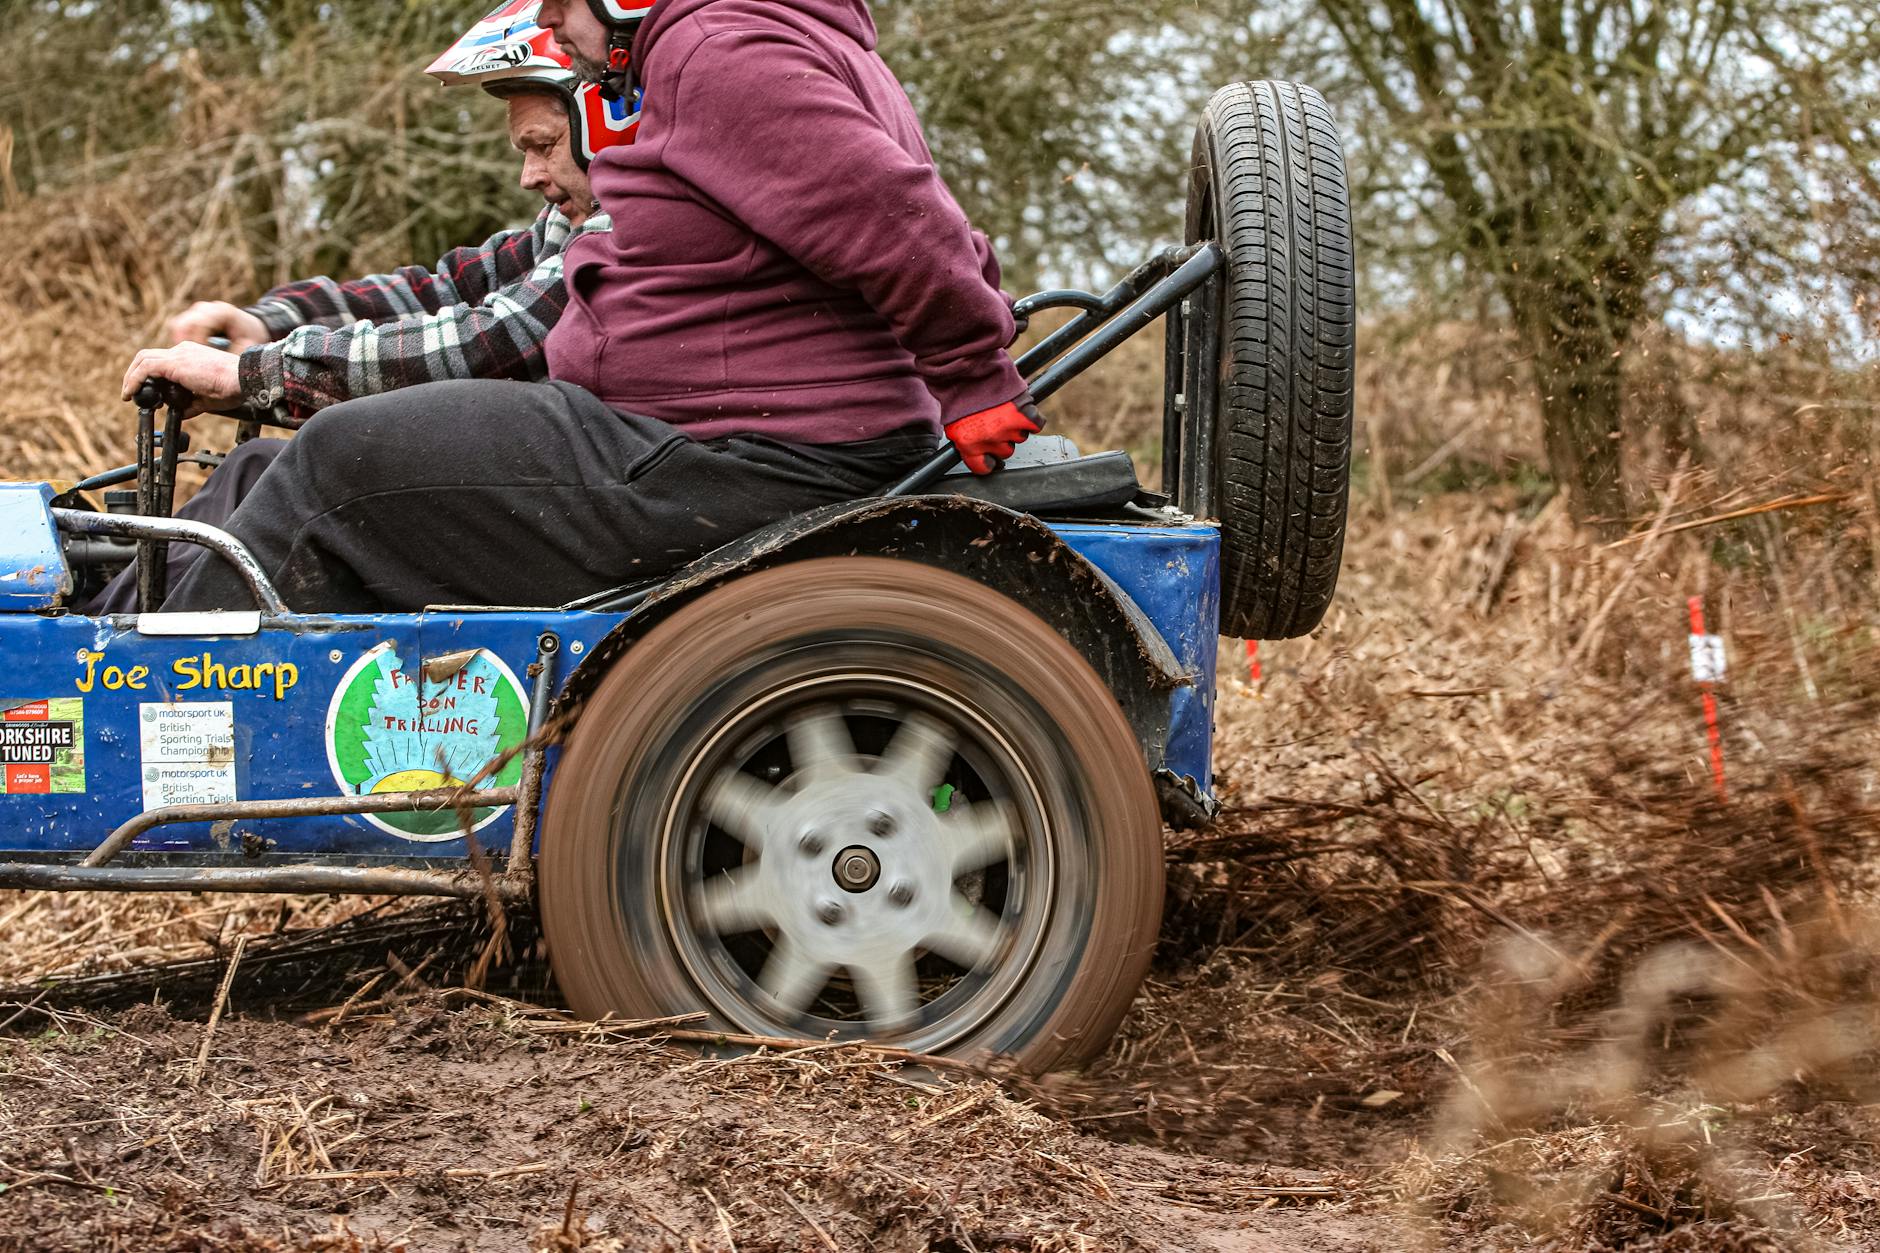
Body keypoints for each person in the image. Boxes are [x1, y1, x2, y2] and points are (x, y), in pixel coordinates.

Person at [135, 0, 1041, 614]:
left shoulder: (720, 52)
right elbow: (477, 276)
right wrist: (278, 324)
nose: (549, 22)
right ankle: (115, 626)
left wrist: (970, 371)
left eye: (563, 1)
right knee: (271, 468)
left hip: (745, 453)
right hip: (723, 436)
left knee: (339, 461)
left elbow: (893, 213)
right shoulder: (739, 45)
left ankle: (149, 724)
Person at [96, 6, 627, 613]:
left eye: (544, 146)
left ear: (605, 123)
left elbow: (497, 340)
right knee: (256, 467)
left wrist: (253, 374)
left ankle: (127, 678)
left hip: (588, 499)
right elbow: (441, 291)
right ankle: (100, 629)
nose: (529, 175)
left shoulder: (626, 225)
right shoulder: (566, 222)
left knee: (333, 451)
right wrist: (270, 323)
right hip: (559, 479)